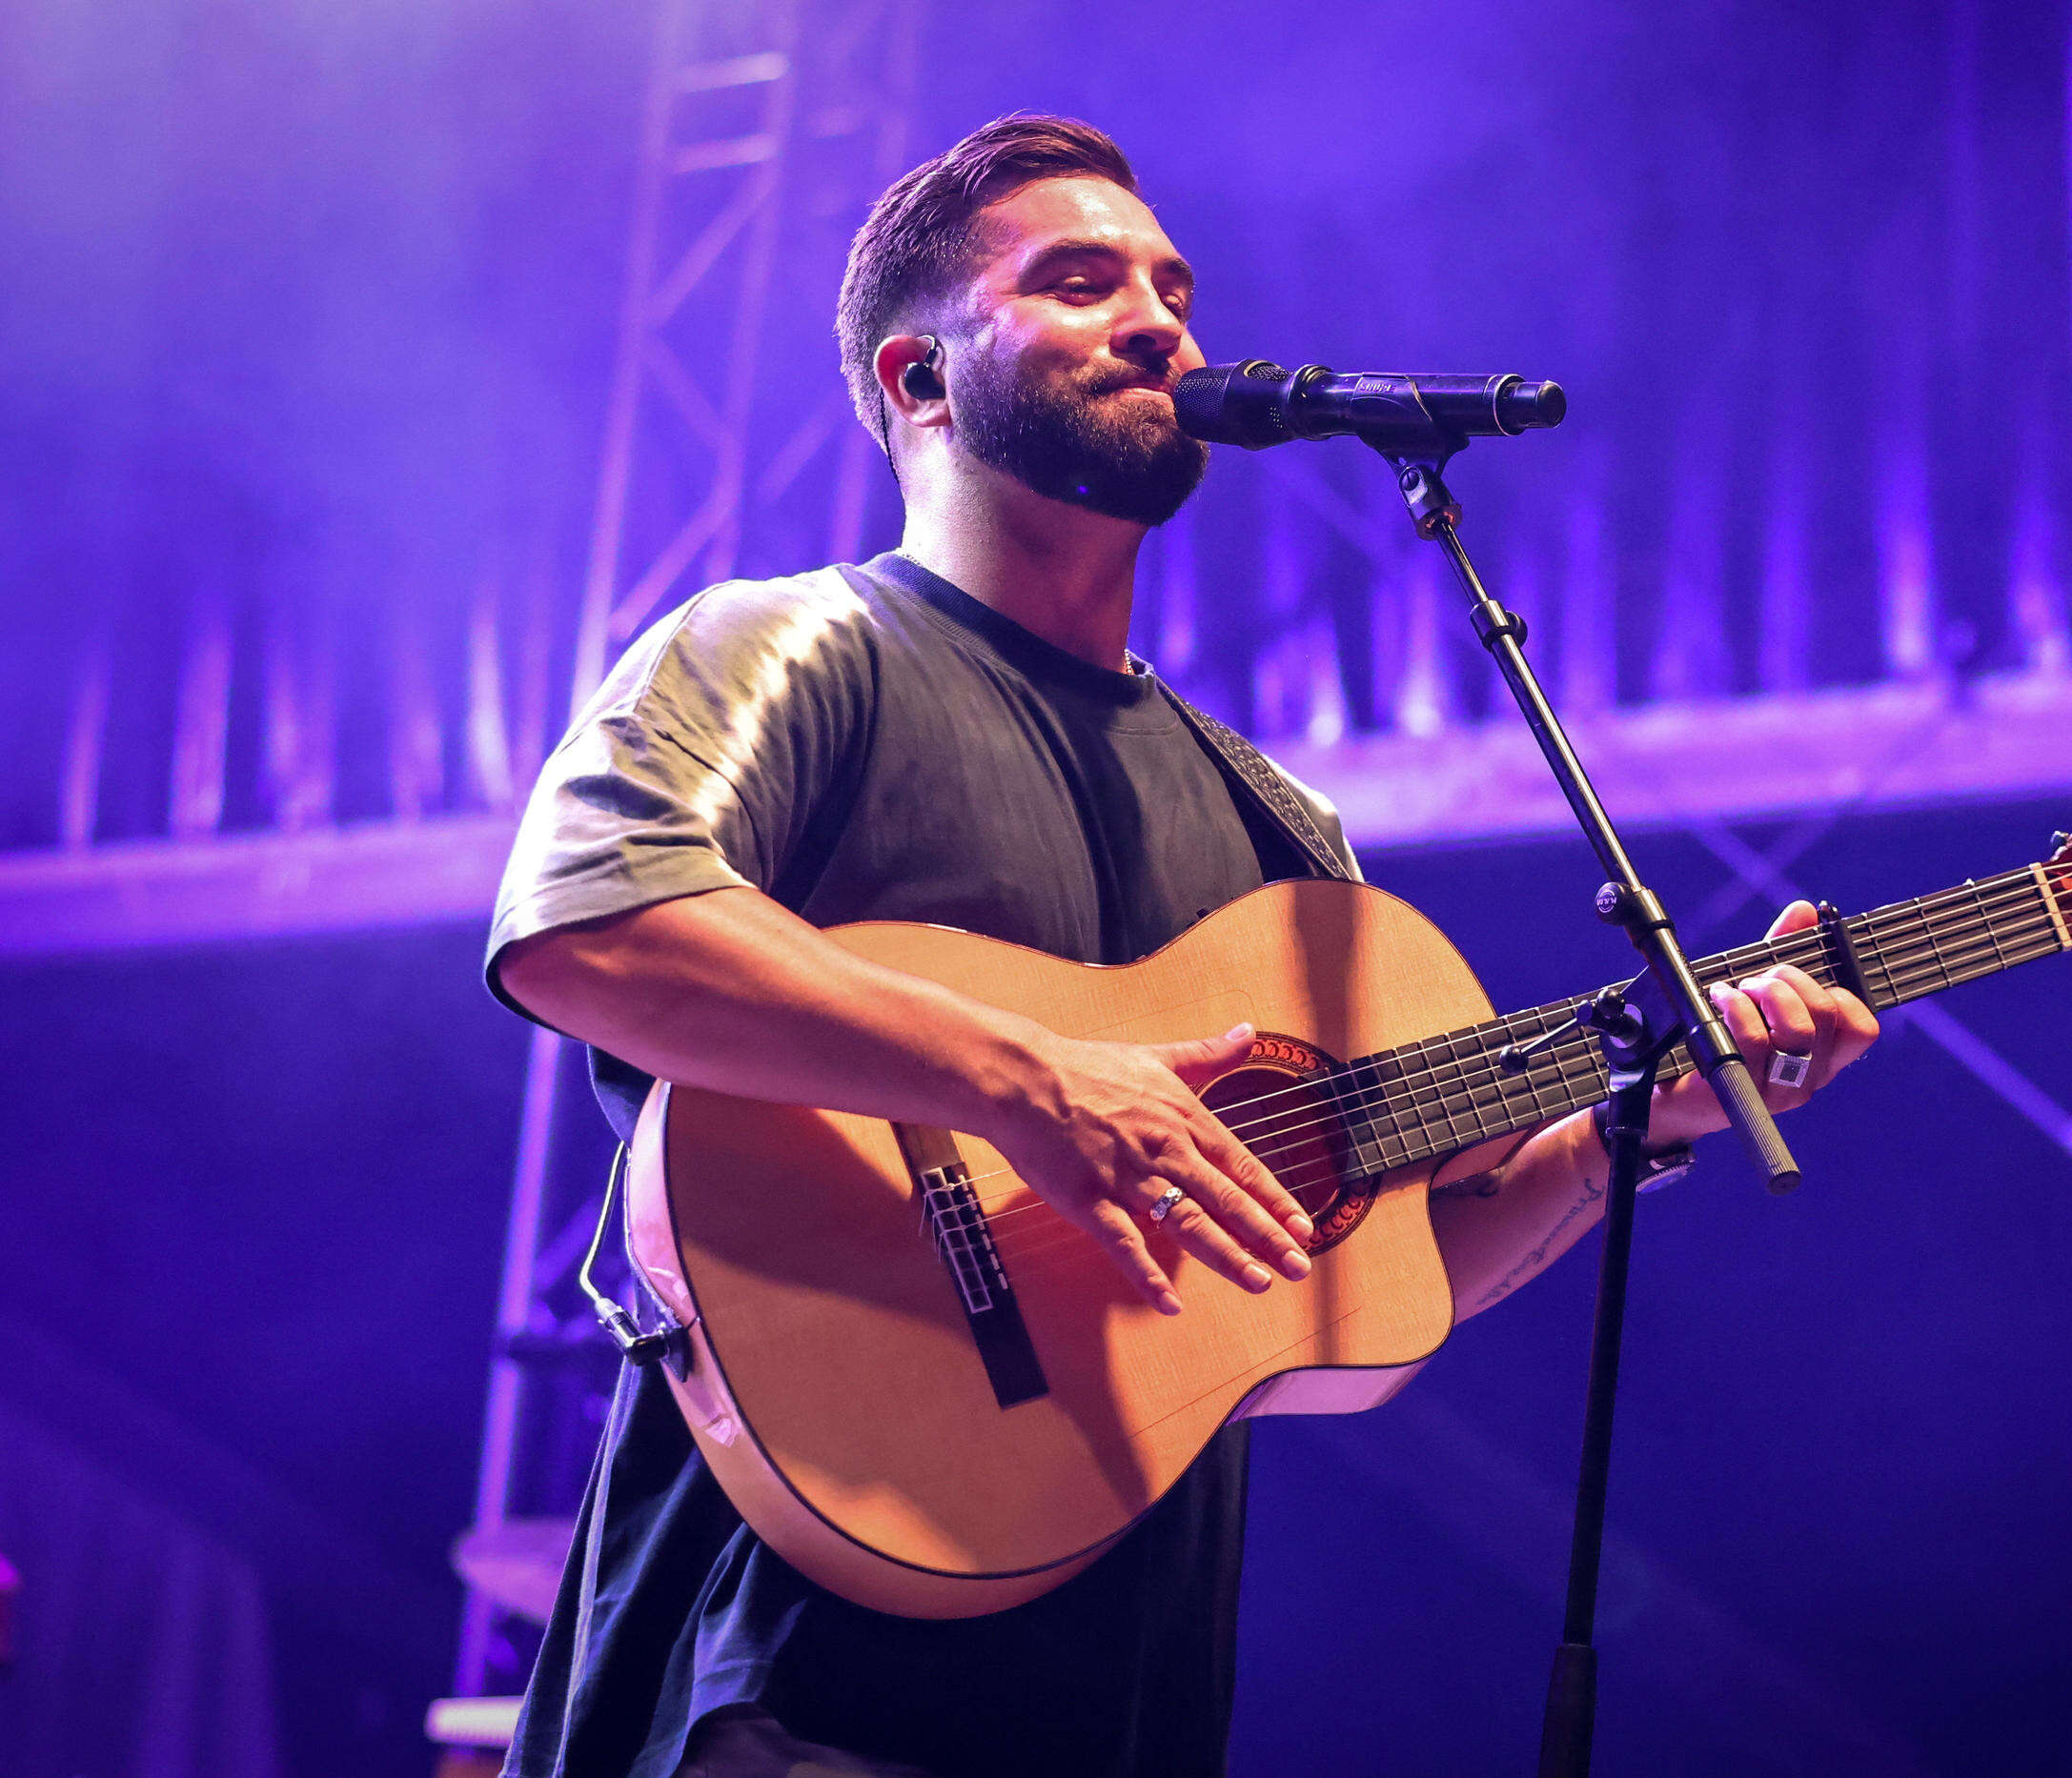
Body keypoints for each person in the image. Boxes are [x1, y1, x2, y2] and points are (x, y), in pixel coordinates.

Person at [485, 113, 1878, 1778]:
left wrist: (1624, 1129)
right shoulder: (789, 647)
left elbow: (1374, 1274)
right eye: (1080, 282)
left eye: (1174, 286)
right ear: (921, 379)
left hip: (1126, 1693)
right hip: (781, 1665)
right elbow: (594, 931)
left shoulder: (1284, 830)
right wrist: (1027, 1082)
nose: (1161, 322)